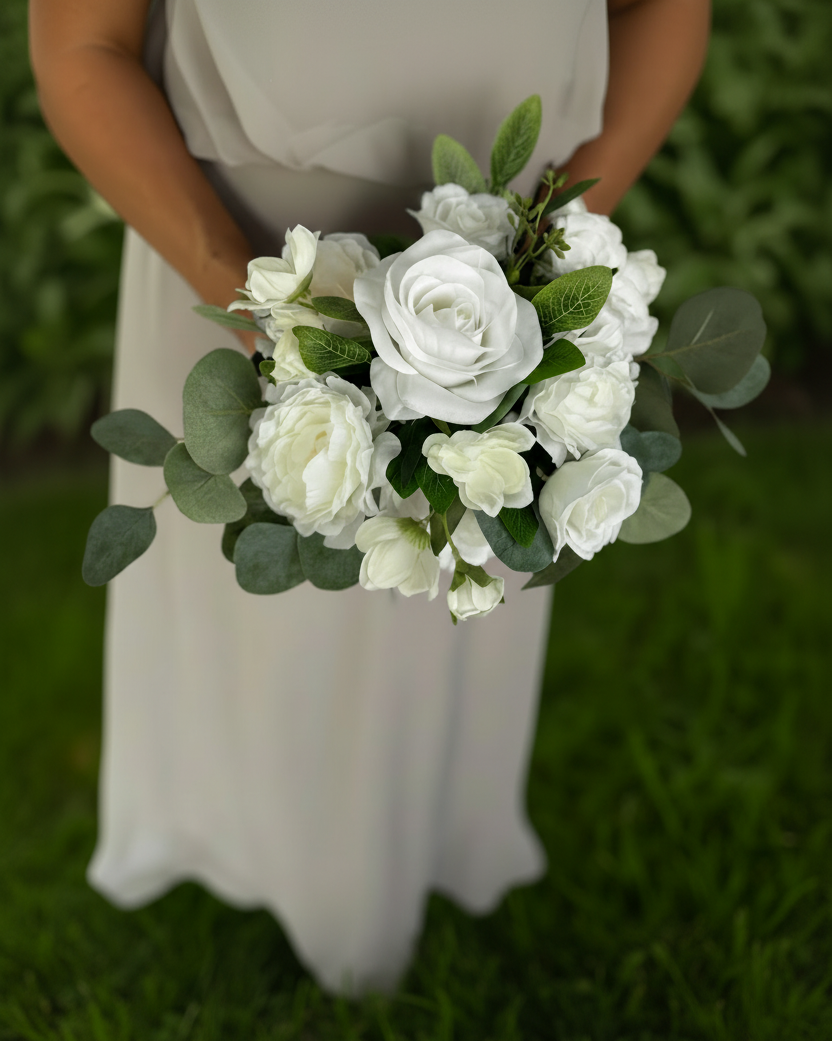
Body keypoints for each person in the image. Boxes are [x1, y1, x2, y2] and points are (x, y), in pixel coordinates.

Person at [29, 0, 710, 996]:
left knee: (447, 589)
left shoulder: (521, 282)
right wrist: (259, 303)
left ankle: (432, 831)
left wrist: (550, 250)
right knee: (260, 607)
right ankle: (238, 835)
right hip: (239, 254)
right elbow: (83, 43)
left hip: (504, 282)